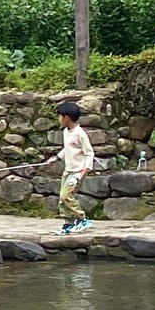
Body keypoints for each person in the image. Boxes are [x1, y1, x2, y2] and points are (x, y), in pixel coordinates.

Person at [57, 98, 96, 232]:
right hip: (68, 170)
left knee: (66, 195)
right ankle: (68, 222)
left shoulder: (80, 134)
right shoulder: (66, 132)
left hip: (78, 172)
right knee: (62, 198)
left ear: (66, 118)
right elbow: (67, 148)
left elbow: (89, 153)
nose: (59, 119)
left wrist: (85, 169)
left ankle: (82, 219)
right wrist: (57, 157)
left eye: (60, 117)